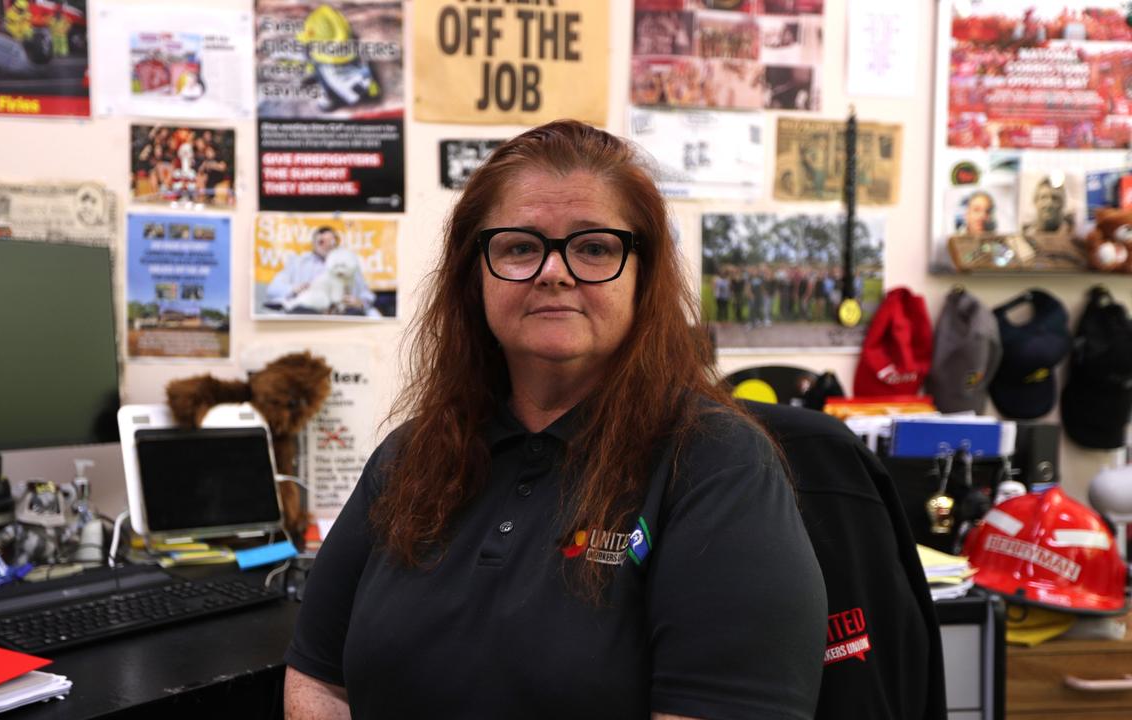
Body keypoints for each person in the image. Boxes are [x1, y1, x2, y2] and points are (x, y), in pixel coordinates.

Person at [283, 120, 826, 718]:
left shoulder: (717, 464)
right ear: (476, 274)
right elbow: (318, 677)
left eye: (594, 247)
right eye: (520, 246)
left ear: (643, 276)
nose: (554, 271)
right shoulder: (411, 455)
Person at [264, 226, 375, 314]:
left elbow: (366, 295)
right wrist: (293, 289)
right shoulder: (298, 263)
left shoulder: (347, 263)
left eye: (330, 241)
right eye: (321, 241)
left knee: (356, 314)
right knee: (301, 312)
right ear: (314, 243)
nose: (326, 245)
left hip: (341, 313)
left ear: (336, 243)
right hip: (308, 310)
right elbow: (272, 289)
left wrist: (360, 303)